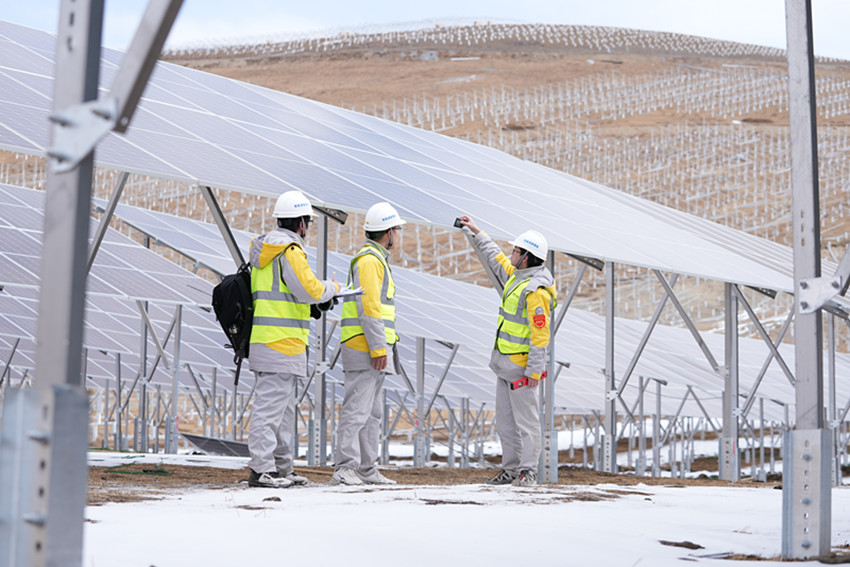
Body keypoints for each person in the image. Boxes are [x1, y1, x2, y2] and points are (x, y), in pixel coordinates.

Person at [246, 190, 339, 488]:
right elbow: (310, 289)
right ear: (301, 224)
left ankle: (282, 469)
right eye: (308, 223)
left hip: (271, 341)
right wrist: (333, 288)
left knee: (282, 413)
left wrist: (310, 305)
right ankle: (262, 469)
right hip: (281, 342)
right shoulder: (289, 250)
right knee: (269, 411)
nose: (308, 228)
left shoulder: (265, 252)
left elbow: (287, 294)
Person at [457, 215, 557, 487]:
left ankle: (528, 472)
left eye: (515, 250)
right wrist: (477, 231)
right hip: (504, 365)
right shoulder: (517, 278)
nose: (511, 253)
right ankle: (511, 470)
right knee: (506, 424)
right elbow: (495, 257)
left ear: (526, 257)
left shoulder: (536, 291)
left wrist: (534, 371)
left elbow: (540, 336)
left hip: (522, 370)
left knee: (527, 423)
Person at [331, 202, 405, 486]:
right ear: (388, 232)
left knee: (372, 414)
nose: (398, 234)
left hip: (372, 347)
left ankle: (366, 468)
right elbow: (369, 307)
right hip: (365, 347)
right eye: (396, 229)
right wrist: (378, 348)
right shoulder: (370, 261)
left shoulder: (376, 260)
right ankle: (345, 468)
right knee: (357, 410)